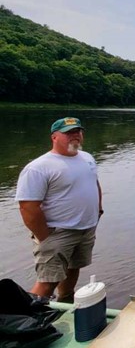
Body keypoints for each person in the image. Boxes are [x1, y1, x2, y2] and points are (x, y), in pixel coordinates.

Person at [16, 117, 103, 300]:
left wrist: (98, 210)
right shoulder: (39, 167)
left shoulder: (87, 157)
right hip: (58, 232)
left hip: (85, 229)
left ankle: (66, 302)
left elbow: (94, 183)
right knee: (48, 281)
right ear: (54, 137)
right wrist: (44, 238)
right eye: (68, 133)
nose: (75, 136)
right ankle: (30, 319)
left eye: (78, 132)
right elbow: (28, 207)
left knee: (73, 269)